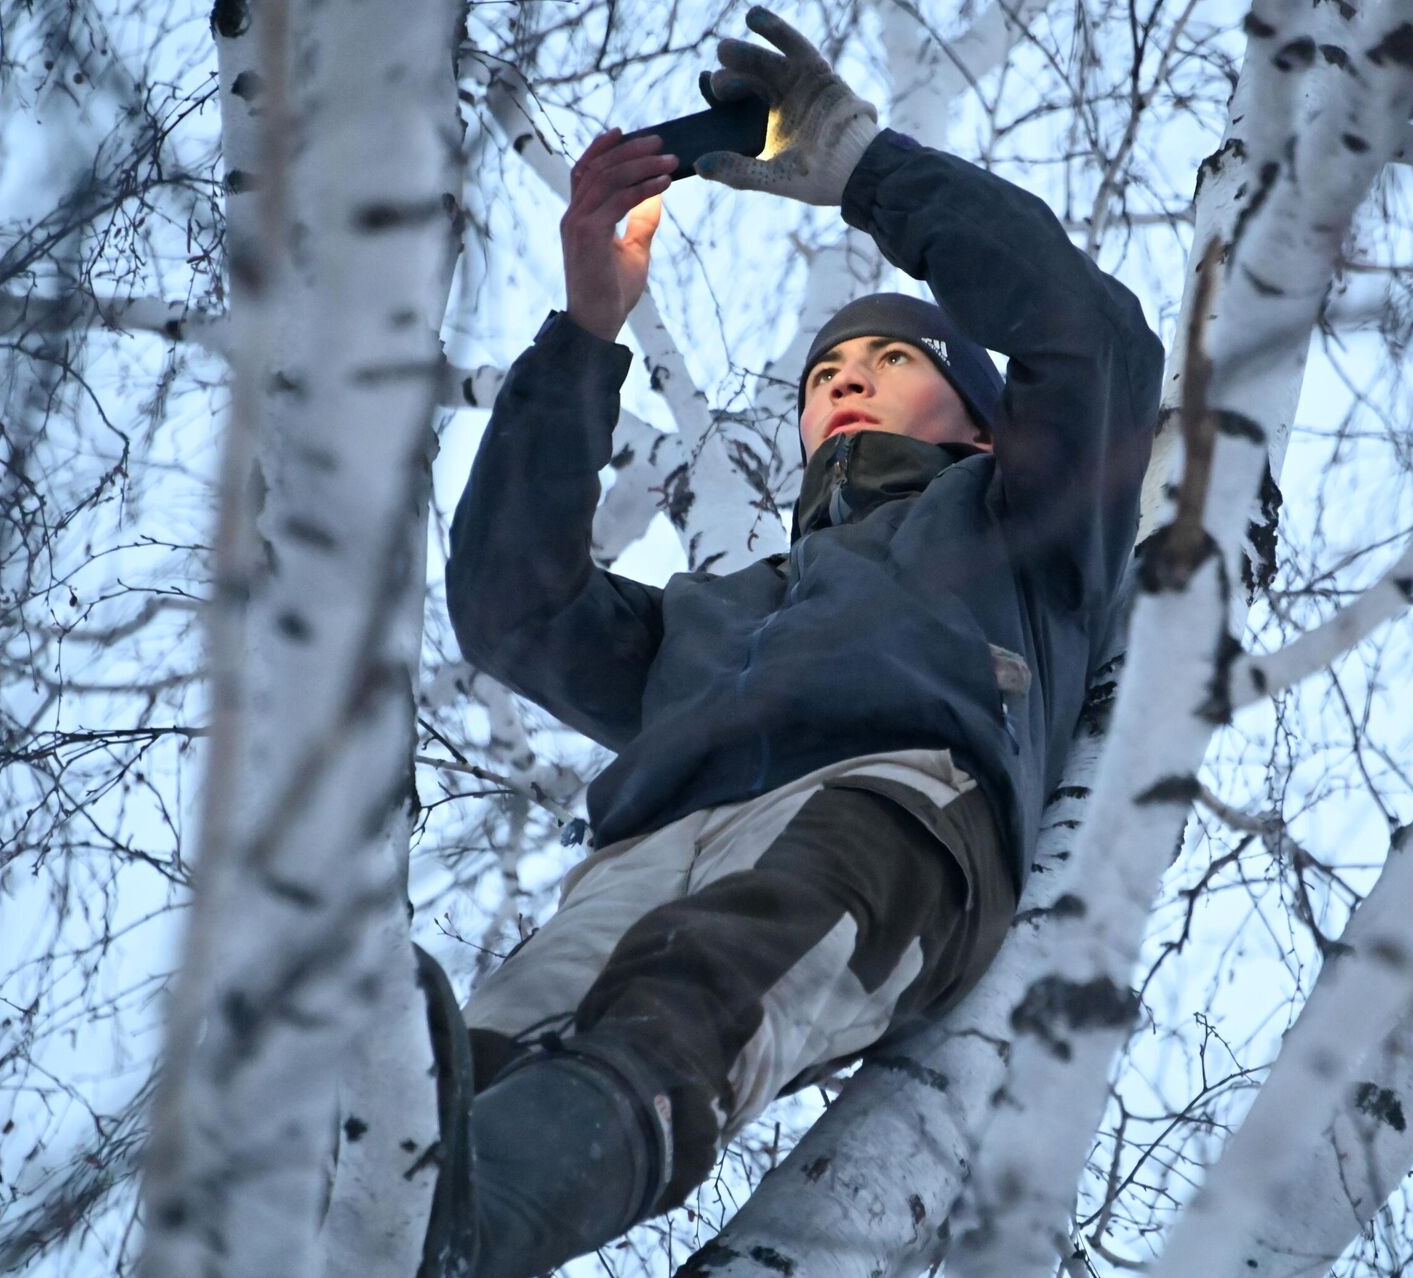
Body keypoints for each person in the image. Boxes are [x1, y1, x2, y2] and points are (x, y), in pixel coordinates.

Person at [422, 7, 1164, 1275]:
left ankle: (464, 1249)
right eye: (825, 373)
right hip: (644, 851)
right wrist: (588, 330)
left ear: (982, 419)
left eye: (890, 357)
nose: (845, 382)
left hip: (889, 809)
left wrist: (863, 168)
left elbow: (1087, 340)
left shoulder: (1017, 522)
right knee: (463, 1078)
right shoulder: (722, 607)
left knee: (693, 1011)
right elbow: (513, 608)